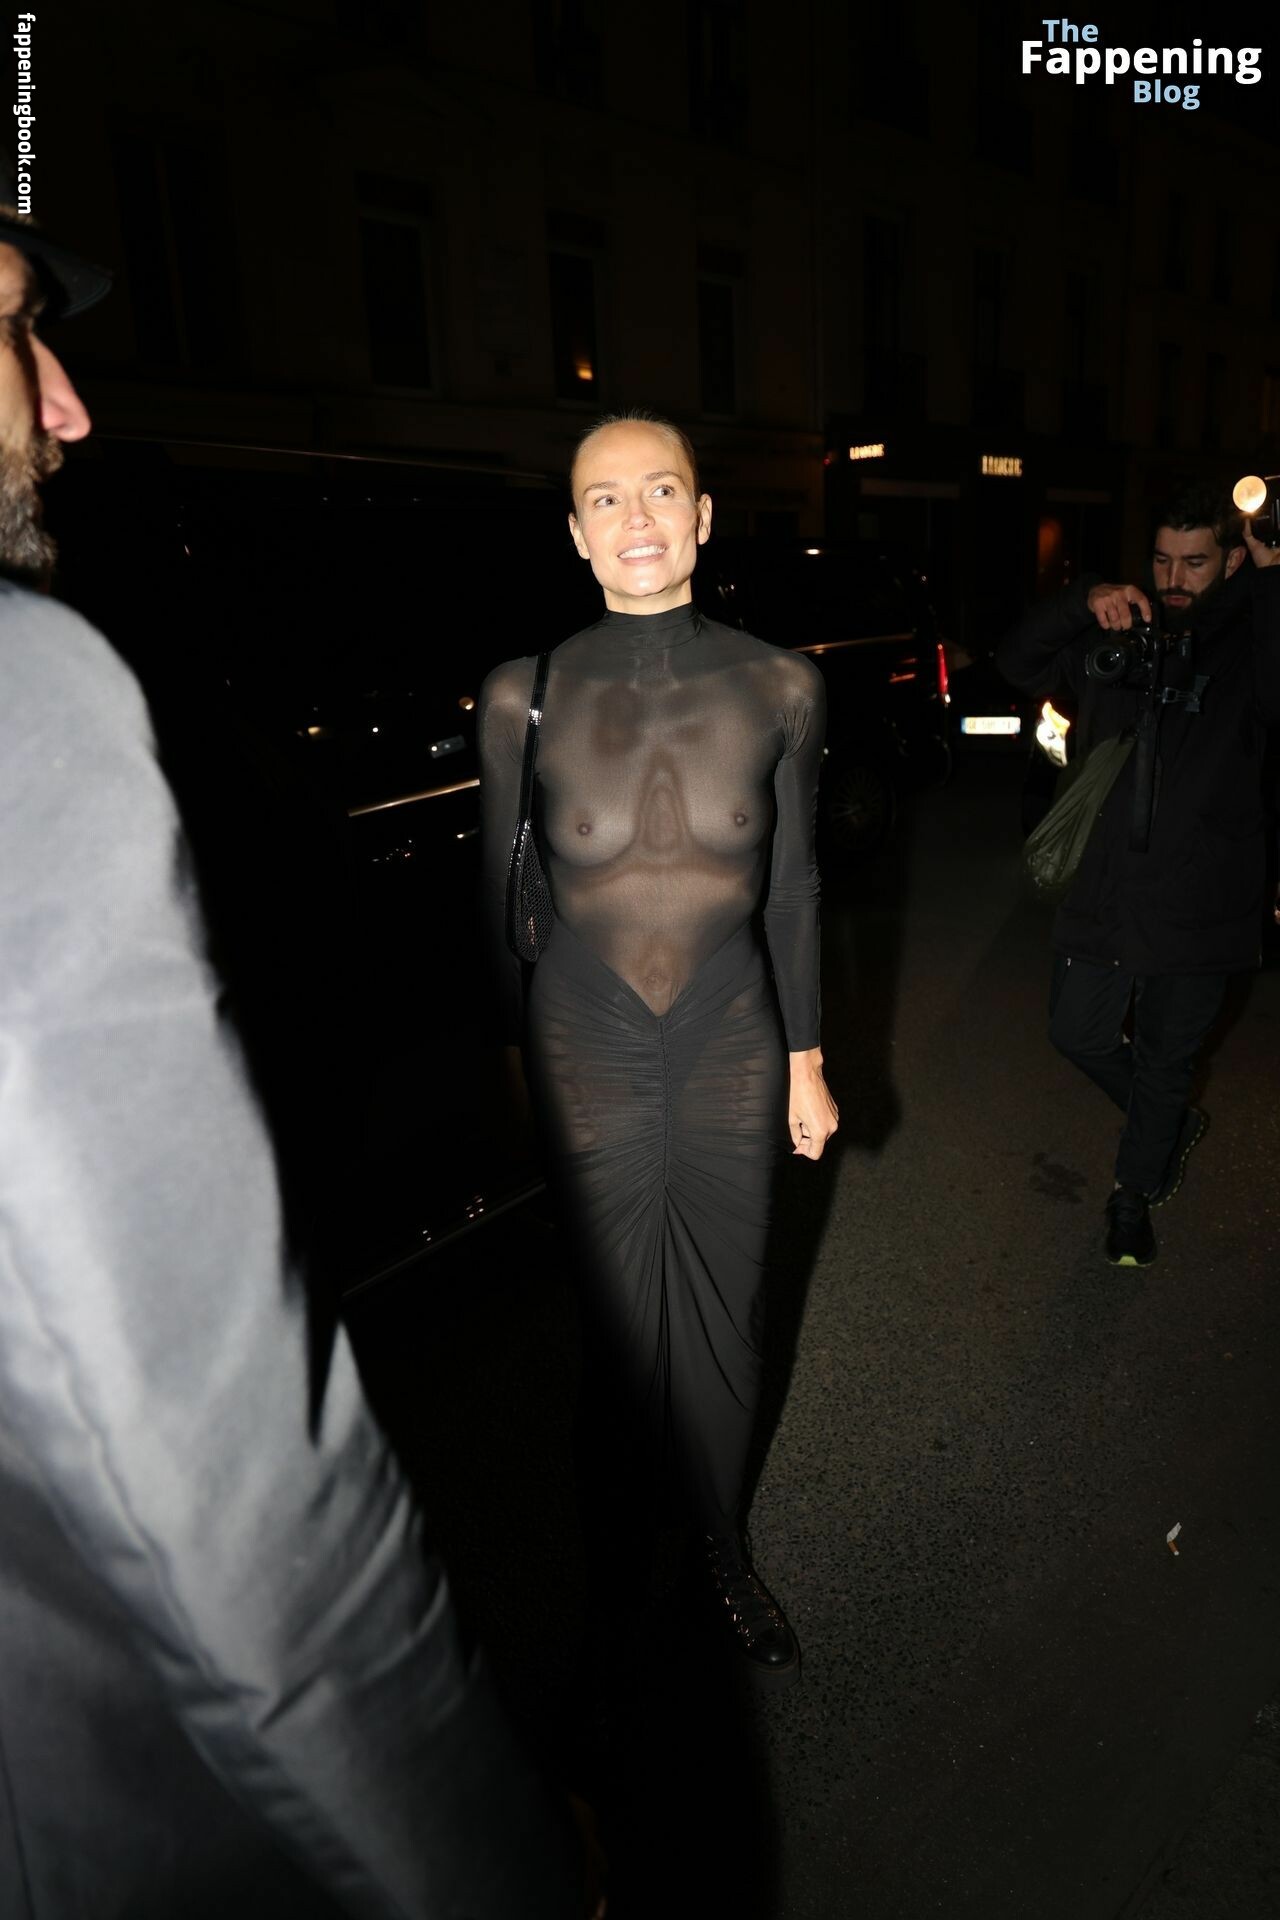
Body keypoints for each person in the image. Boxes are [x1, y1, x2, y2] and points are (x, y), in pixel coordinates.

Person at [0, 199, 598, 1915]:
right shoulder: (27, 690)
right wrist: (503, 1867)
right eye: (15, 324)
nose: (67, 403)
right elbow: (207, 1472)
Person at [478, 410, 838, 1678]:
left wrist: (806, 1060)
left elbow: (793, 888)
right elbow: (498, 912)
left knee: (728, 1321)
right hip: (583, 1040)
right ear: (576, 535)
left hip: (733, 1032)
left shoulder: (782, 686)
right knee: (619, 1326)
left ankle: (718, 1552)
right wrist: (514, 1071)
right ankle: (615, 1568)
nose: (636, 519)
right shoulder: (523, 694)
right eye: (606, 499)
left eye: (661, 491)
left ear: (702, 515)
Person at [997, 483, 1280, 1267]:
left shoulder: (1251, 639)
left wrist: (1270, 580)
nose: (1175, 578)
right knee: (1076, 1031)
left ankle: (1133, 1193)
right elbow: (1017, 662)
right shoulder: (1124, 628)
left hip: (1204, 898)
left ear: (1230, 561)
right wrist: (1083, 600)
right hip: (1107, 887)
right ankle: (1168, 1122)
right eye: (1162, 559)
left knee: (1165, 1059)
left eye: (1195, 562)